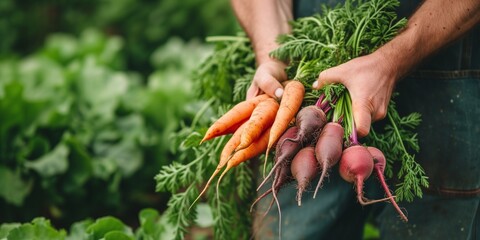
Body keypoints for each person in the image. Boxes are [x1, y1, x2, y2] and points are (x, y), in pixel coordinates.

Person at [230, 0, 480, 239]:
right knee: (291, 227)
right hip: (307, 91)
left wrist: (389, 63)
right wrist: (274, 56)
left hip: (443, 68)